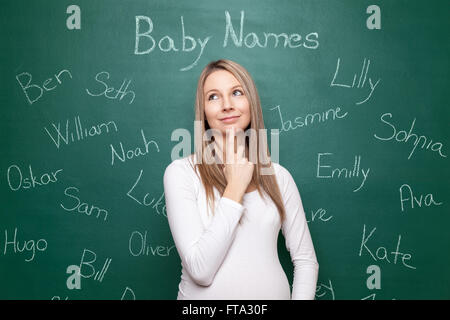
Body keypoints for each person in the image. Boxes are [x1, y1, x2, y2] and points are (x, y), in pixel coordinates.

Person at [163, 59, 319, 300]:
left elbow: (306, 261)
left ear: (251, 102)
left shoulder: (279, 177)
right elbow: (200, 270)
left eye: (236, 92)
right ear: (203, 111)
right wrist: (235, 186)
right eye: (213, 97)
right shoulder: (181, 173)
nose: (227, 105)